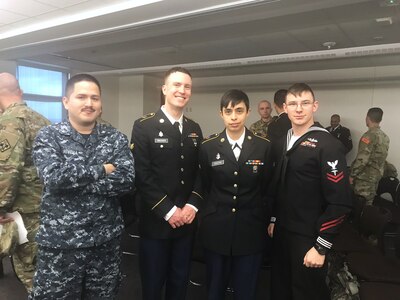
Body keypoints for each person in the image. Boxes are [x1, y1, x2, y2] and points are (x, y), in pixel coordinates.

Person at [30, 74, 135, 299]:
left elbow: (126, 180)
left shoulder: (115, 138)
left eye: (94, 98)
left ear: (100, 104)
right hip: (61, 247)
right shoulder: (49, 137)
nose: (89, 103)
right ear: (66, 101)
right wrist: (102, 169)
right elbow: (54, 177)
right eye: (81, 97)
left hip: (104, 246)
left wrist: (75, 183)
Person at [269, 83, 352, 300]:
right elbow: (279, 186)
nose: (298, 109)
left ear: (314, 106)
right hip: (282, 232)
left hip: (309, 236)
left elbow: (340, 202)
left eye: (304, 103)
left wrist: (321, 246)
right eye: (293, 104)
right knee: (280, 288)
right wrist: (274, 218)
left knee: (307, 292)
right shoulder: (281, 142)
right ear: (284, 108)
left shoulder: (328, 145)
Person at [130, 67, 203, 300]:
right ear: (164, 89)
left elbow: (200, 172)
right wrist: (169, 211)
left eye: (187, 86)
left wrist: (192, 206)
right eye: (177, 85)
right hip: (157, 222)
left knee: (180, 281)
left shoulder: (194, 129)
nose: (182, 90)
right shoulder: (144, 126)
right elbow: (142, 174)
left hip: (186, 222)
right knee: (152, 283)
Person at [198, 89, 272, 299]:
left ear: (248, 112)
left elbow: (267, 187)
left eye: (239, 111)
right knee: (215, 288)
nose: (233, 117)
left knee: (246, 290)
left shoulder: (263, 146)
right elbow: (205, 186)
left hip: (250, 228)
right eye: (228, 111)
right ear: (221, 113)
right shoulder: (208, 147)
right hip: (217, 227)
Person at [0, 73, 50, 292]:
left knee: (30, 271)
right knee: (47, 266)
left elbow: (7, 170)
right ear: (20, 92)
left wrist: (0, 206)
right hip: (48, 206)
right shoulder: (42, 120)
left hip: (23, 212)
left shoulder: (9, 121)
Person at [350, 107, 389, 206]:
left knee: (360, 204)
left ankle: (360, 221)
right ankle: (367, 220)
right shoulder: (385, 137)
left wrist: (352, 175)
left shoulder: (368, 136)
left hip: (365, 177)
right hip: (376, 176)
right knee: (369, 202)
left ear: (367, 118)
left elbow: (362, 159)